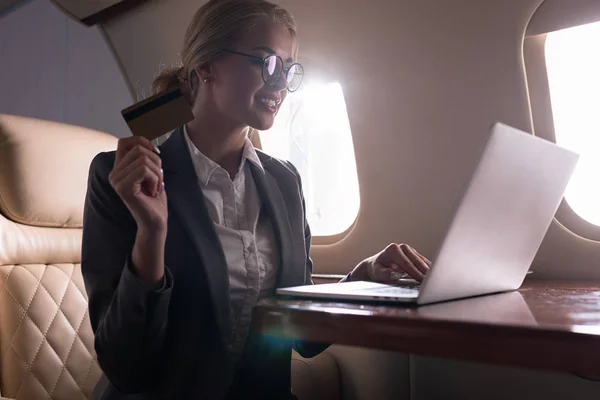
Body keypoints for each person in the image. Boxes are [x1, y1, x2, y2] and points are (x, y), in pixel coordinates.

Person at [81, 0, 431, 398]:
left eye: (288, 69)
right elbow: (125, 366)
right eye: (266, 63)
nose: (281, 84)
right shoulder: (121, 179)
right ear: (206, 67)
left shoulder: (284, 181)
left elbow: (301, 337)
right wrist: (151, 232)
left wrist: (363, 278)